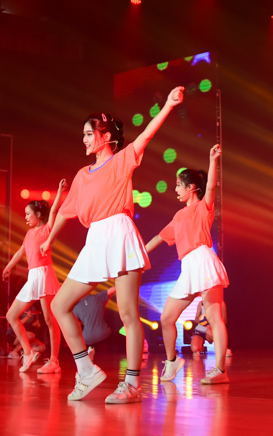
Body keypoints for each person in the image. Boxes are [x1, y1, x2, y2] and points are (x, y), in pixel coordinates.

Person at [46, 86, 184, 404]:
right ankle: (86, 371)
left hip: (119, 232)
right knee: (59, 305)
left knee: (127, 314)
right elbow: (65, 212)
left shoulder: (122, 160)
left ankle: (132, 385)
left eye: (89, 133)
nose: (84, 139)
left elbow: (146, 136)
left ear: (106, 136)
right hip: (95, 238)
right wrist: (49, 240)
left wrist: (167, 105)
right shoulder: (82, 174)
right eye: (83, 134)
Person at [144, 145, 229, 385]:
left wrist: (212, 160)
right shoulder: (178, 216)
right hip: (188, 267)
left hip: (203, 260)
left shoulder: (203, 207)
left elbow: (210, 187)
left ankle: (220, 370)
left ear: (191, 188)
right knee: (167, 318)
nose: (175, 189)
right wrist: (138, 255)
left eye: (178, 185)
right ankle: (172, 361)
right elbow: (159, 237)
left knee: (215, 317)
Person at [2, 180, 67, 374]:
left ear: (38, 215)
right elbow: (20, 252)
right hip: (32, 277)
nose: (26, 217)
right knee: (11, 315)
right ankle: (28, 353)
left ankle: (54, 361)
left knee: (50, 320)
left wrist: (59, 191)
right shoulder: (29, 233)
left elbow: (54, 211)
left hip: (45, 274)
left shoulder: (46, 229)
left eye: (28, 213)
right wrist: (8, 266)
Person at [73, 286, 117, 360]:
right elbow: (113, 290)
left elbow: (73, 324)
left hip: (87, 339)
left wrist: (84, 321)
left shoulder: (76, 308)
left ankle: (90, 349)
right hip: (105, 334)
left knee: (87, 339)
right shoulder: (97, 297)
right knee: (120, 338)